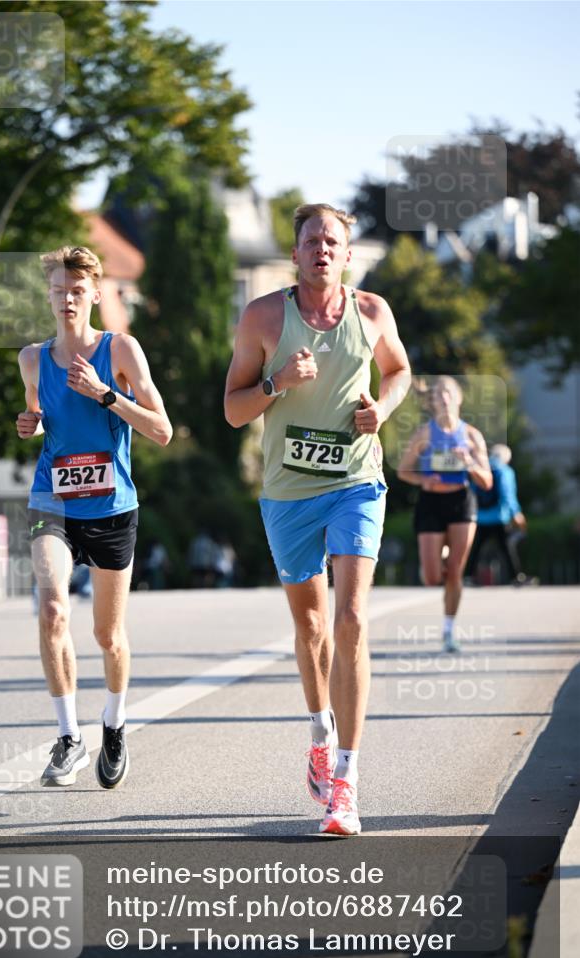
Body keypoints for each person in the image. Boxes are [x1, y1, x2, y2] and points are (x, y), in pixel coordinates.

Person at [224, 203, 411, 836]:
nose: (322, 250)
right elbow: (231, 409)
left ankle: (347, 785)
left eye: (333, 241)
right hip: (287, 494)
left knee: (351, 617)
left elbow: (400, 370)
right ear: (295, 254)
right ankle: (320, 731)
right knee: (311, 629)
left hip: (356, 481)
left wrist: (381, 410)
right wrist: (277, 382)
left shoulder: (371, 314)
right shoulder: (263, 317)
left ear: (348, 255)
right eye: (311, 241)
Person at [17, 245, 172, 789]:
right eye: (58, 291)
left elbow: (161, 429)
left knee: (108, 636)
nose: (67, 300)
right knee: (54, 608)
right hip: (52, 500)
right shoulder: (32, 358)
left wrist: (107, 395)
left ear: (95, 296)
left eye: (77, 292)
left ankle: (114, 723)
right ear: (50, 296)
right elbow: (40, 415)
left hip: (111, 506)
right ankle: (68, 737)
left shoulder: (121, 349)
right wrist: (30, 424)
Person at [397, 376, 492, 652]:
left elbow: (487, 481)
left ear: (459, 398)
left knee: (455, 573)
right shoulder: (424, 434)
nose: (444, 398)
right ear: (433, 402)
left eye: (449, 393)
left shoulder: (472, 435)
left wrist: (470, 462)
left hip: (461, 502)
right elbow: (403, 471)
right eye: (438, 394)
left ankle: (449, 631)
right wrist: (422, 481)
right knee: (431, 578)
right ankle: (437, 558)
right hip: (431, 502)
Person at [465, 443, 532, 584]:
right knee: (507, 548)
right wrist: (516, 513)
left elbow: (471, 491)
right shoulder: (505, 471)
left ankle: (468, 576)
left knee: (475, 548)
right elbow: (508, 495)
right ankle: (516, 576)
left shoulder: (482, 469)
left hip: (480, 516)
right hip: (499, 516)